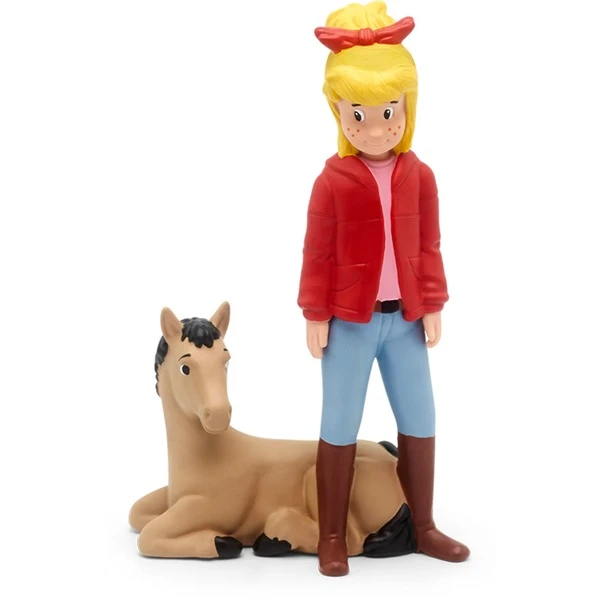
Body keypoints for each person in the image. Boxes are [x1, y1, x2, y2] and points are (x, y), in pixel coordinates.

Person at [298, 1, 470, 577]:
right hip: (349, 322)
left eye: (389, 112)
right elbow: (317, 252)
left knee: (420, 415)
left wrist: (433, 302)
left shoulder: (419, 176)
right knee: (339, 422)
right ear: (338, 112)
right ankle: (330, 534)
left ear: (407, 107)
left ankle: (423, 525)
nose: (375, 128)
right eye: (359, 114)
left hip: (407, 321)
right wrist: (314, 311)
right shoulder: (331, 181)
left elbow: (430, 246)